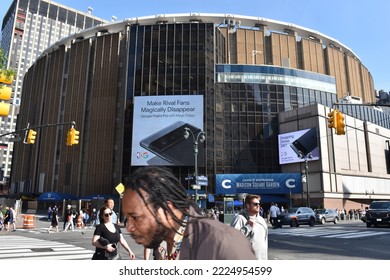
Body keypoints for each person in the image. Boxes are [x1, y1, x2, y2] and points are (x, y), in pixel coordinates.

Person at [122, 166, 256, 260]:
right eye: (127, 218)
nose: (129, 227)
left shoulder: (223, 244)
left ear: (166, 210)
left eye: (135, 217)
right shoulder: (162, 239)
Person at [230, 194, 268, 260]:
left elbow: (265, 241)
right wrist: (248, 227)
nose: (258, 206)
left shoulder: (261, 220)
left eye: (259, 204)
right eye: (255, 204)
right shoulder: (239, 218)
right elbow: (232, 239)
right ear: (247, 205)